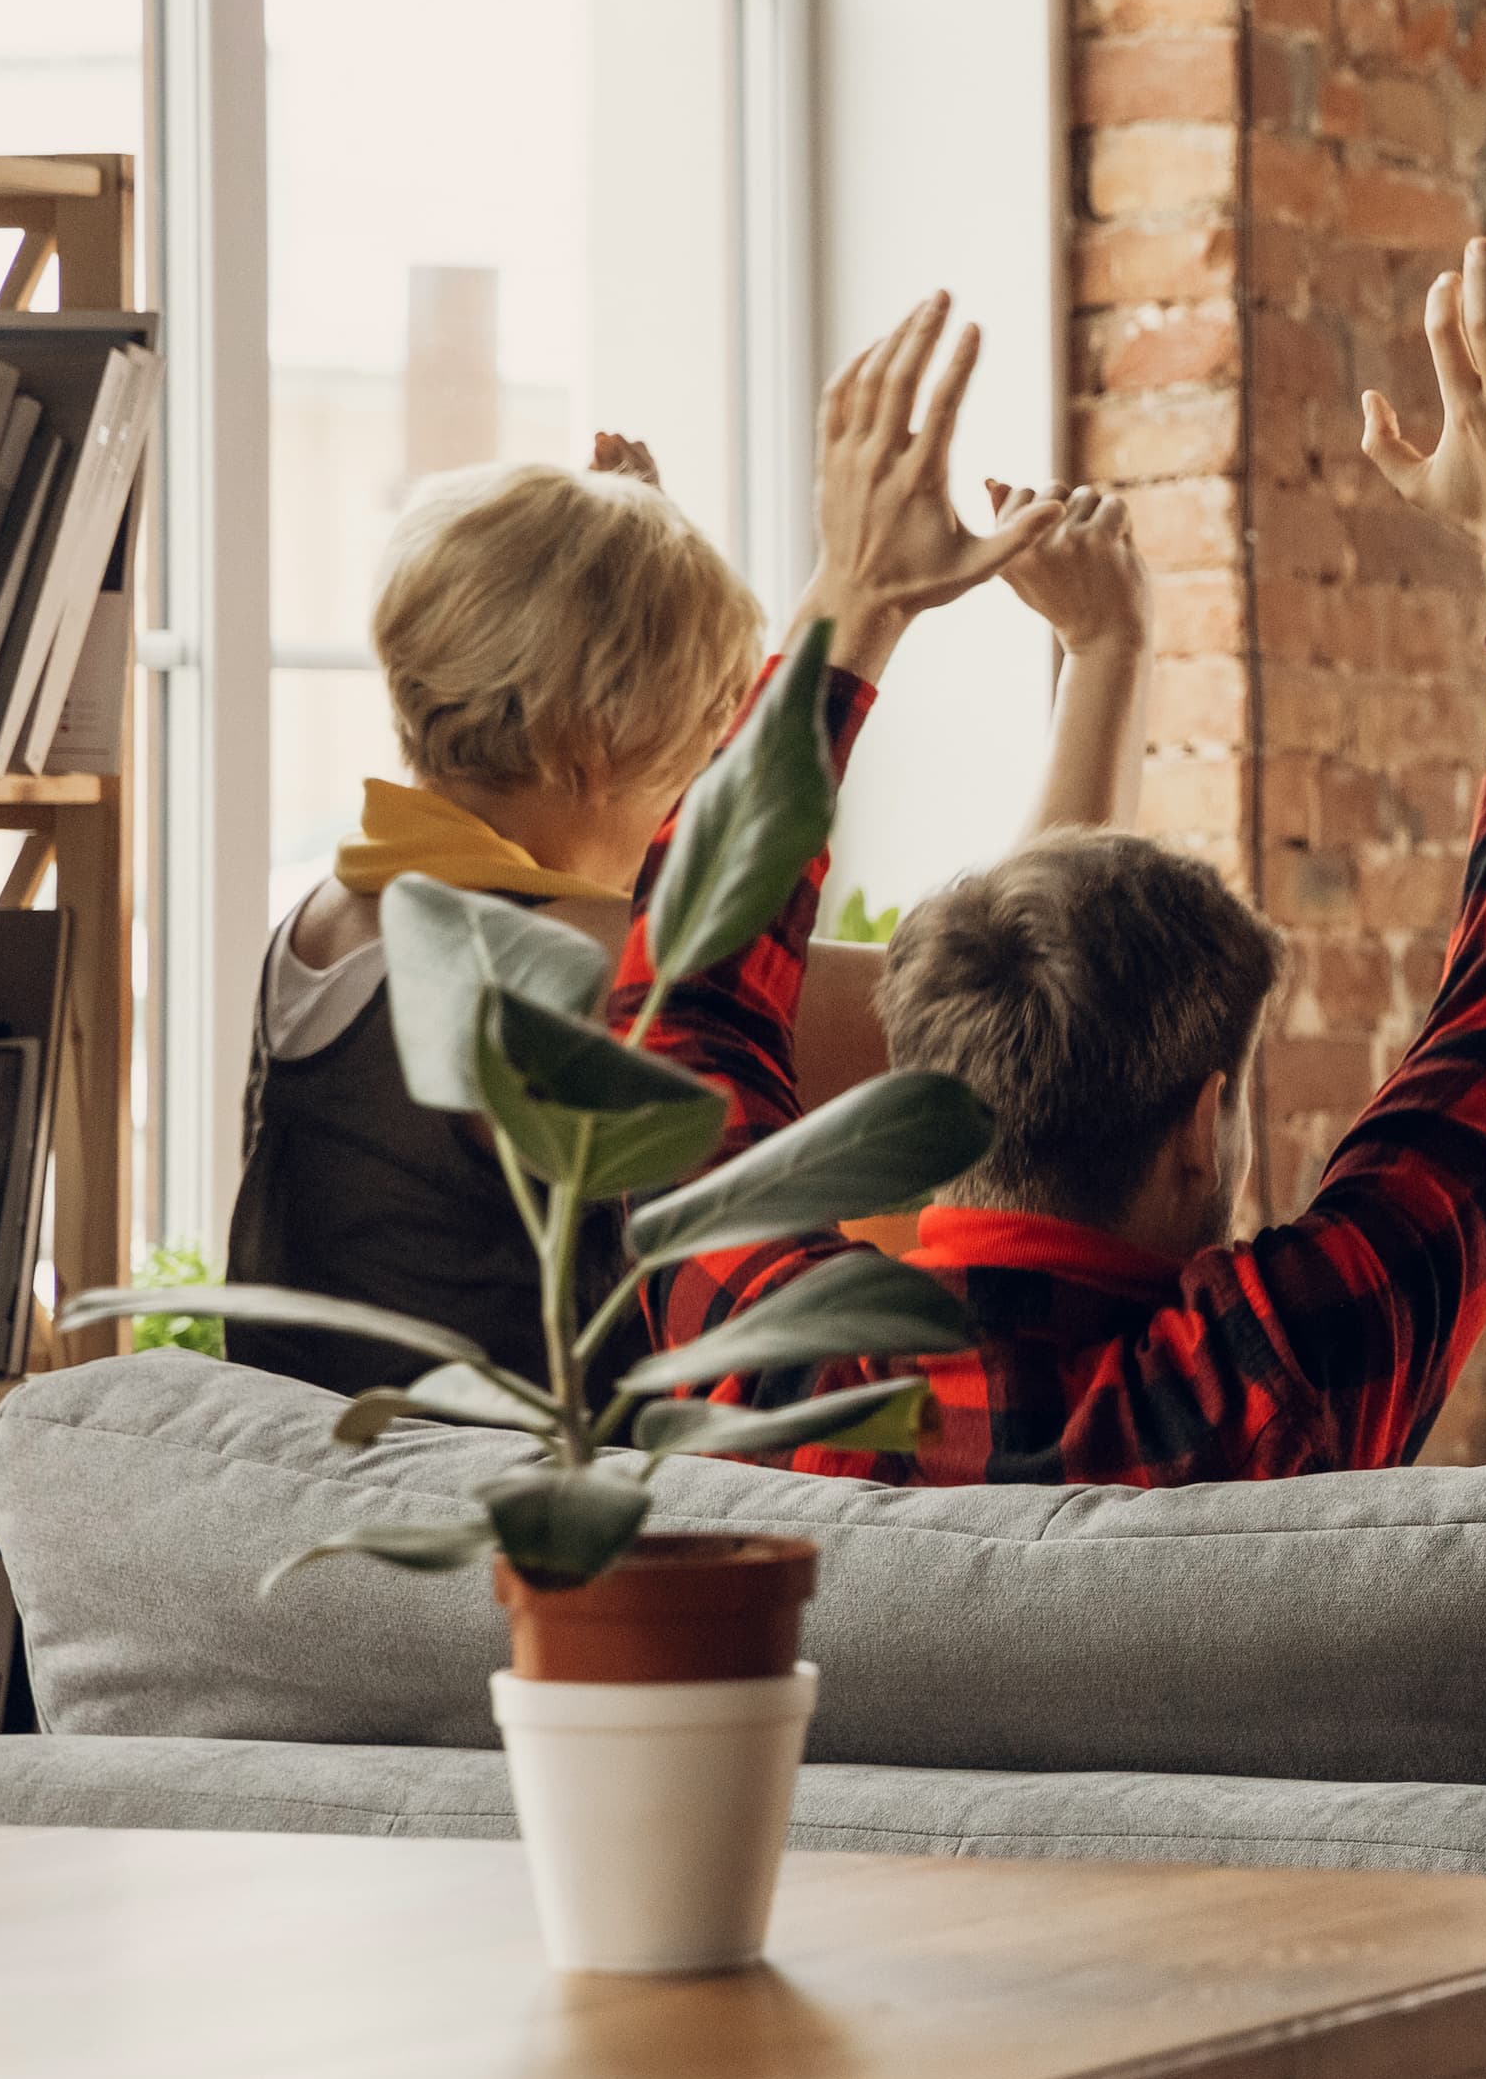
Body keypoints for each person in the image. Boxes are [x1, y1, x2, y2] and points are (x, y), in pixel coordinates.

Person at [610, 237, 1486, 1487]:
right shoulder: (1286, 1367)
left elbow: (679, 1001)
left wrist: (855, 596)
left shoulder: (777, 1364)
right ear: (1203, 1128)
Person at [222, 297, 1134, 1396]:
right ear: (591, 743)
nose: (714, 760)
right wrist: (1101, 648)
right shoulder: (563, 977)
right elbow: (1023, 1012)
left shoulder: (334, 922)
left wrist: (605, 571)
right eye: (704, 727)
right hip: (543, 1561)